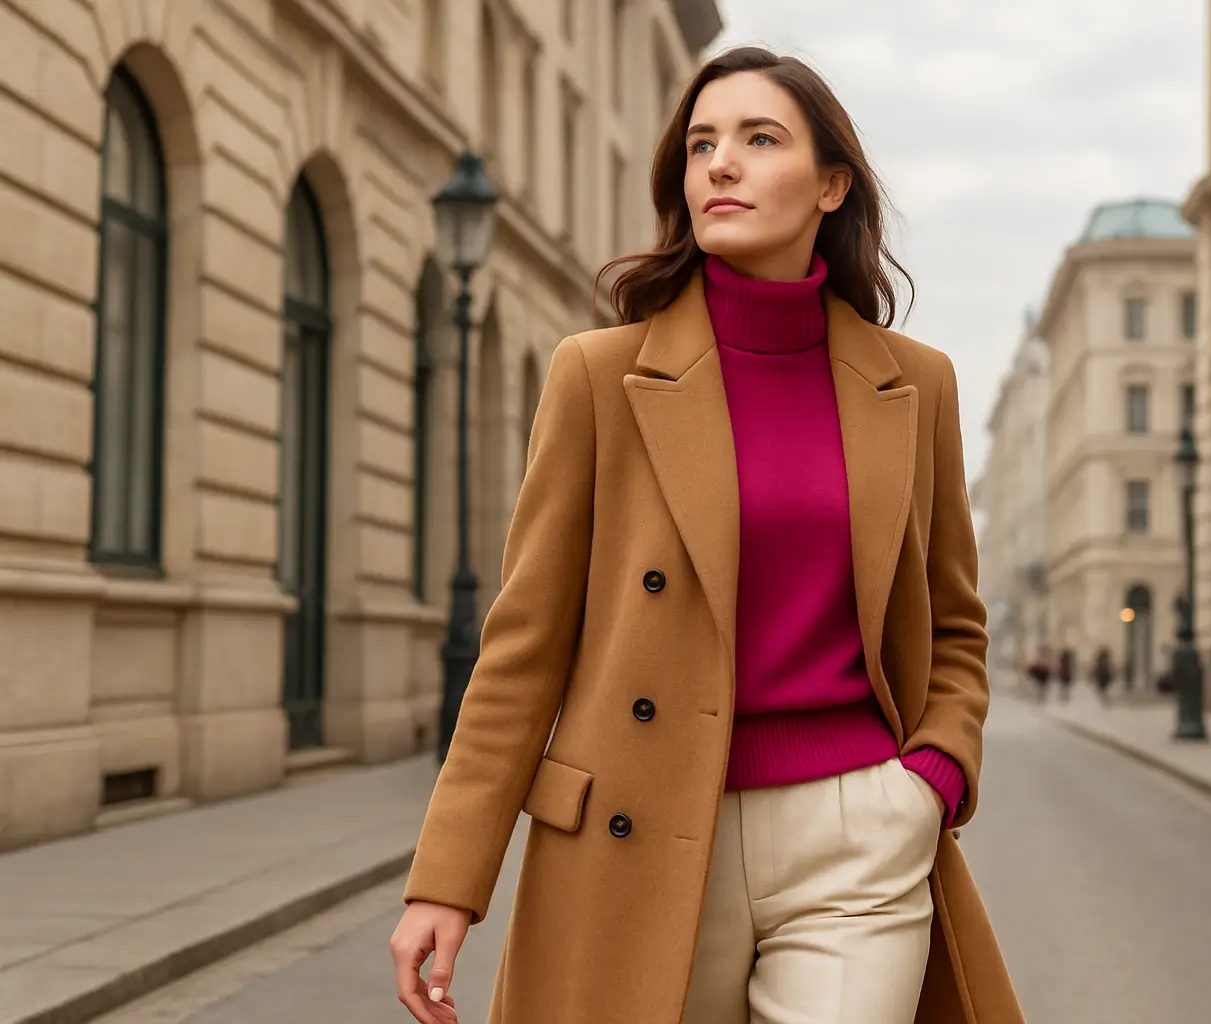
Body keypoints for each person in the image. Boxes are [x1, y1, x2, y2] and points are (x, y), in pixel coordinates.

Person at [388, 45, 1024, 1024]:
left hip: (858, 831)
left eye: (758, 139)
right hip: (638, 825)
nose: (719, 164)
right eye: (701, 144)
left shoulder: (914, 385)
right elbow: (522, 650)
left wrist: (932, 775)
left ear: (830, 184)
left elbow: (955, 628)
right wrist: (448, 876)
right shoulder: (600, 376)